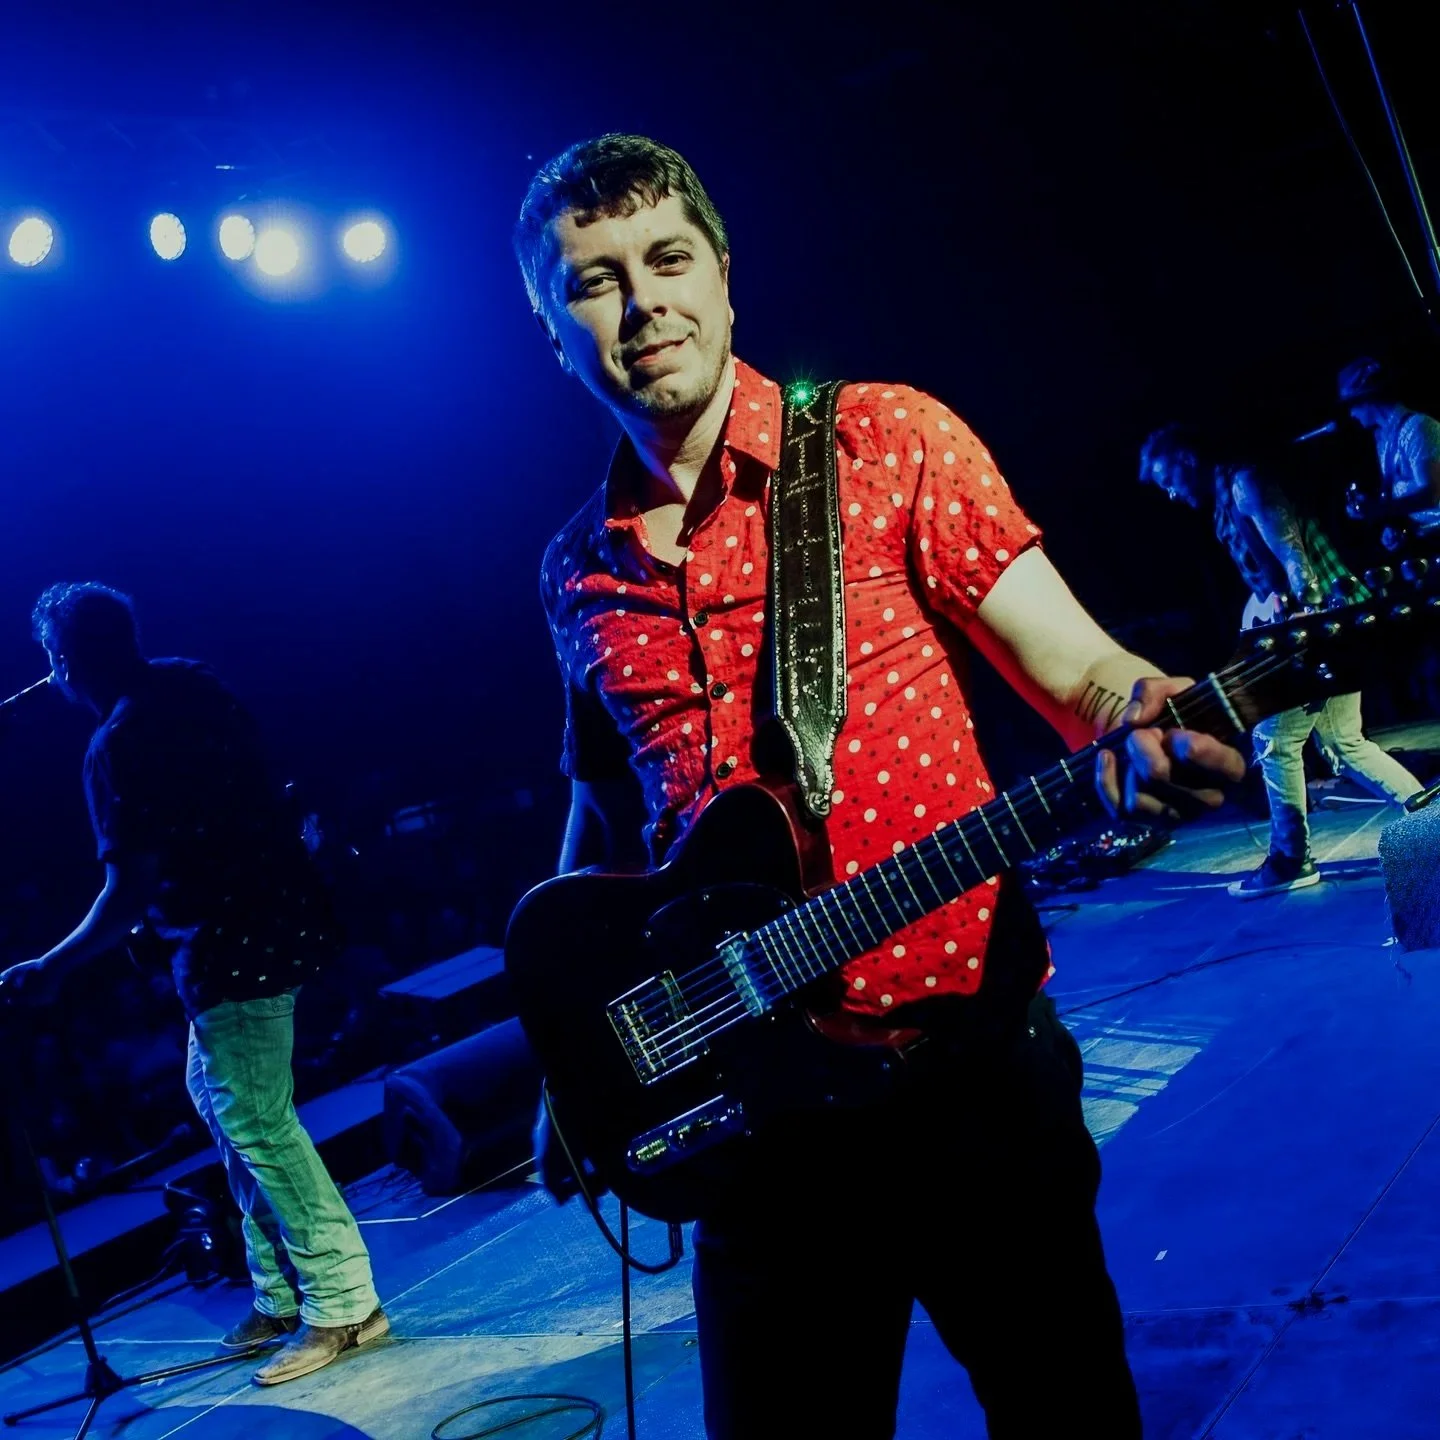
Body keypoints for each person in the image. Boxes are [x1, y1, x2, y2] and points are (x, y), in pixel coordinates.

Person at [514, 132, 1248, 1439]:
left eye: (668, 259)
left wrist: (1142, 712)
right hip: (753, 1125)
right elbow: (607, 826)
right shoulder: (576, 569)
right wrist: (577, 1054)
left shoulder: (878, 442)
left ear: (726, 276)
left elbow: (1077, 666)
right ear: (547, 320)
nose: (641, 304)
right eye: (595, 279)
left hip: (965, 1078)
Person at [0, 583, 387, 1386]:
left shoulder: (115, 744)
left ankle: (345, 1302)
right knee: (222, 1103)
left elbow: (129, 889)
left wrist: (51, 967)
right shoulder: (193, 683)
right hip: (279, 916)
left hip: (227, 950)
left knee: (254, 1119)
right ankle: (281, 1292)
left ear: (65, 663)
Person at [1138, 427, 1422, 898]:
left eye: (1168, 478)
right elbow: (1268, 577)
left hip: (1316, 630)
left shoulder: (1245, 482)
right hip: (1317, 630)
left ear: (1188, 458)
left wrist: (1296, 630)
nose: (1170, 492)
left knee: (1273, 740)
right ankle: (1428, 811)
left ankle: (1291, 858)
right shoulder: (1227, 497)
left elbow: (1297, 566)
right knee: (1343, 742)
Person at [1338, 355, 1440, 553]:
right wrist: (1398, 527)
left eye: (1351, 405)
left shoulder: (1418, 427)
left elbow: (1431, 494)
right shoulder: (1384, 439)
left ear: (1367, 399)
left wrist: (1376, 510)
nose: (1351, 414)